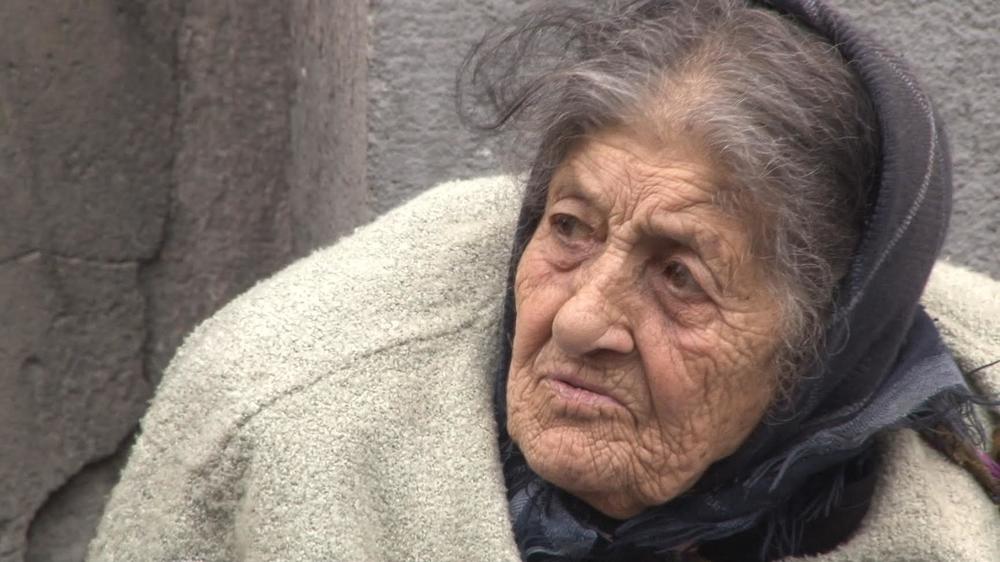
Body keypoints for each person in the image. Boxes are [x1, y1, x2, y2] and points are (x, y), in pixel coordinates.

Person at [88, 1, 998, 561]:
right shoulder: (284, 419)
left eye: (680, 277)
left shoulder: (965, 449)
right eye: (568, 229)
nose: (579, 322)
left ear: (829, 341)